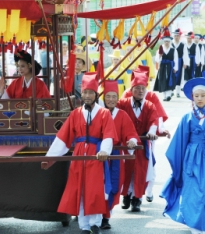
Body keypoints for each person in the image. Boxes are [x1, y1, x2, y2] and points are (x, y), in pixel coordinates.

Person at [44, 72, 118, 234]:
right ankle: (84, 225)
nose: (87, 95)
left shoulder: (104, 113)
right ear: (81, 93)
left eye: (90, 92)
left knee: (95, 189)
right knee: (81, 190)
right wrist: (49, 157)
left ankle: (95, 223)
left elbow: (108, 135)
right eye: (84, 92)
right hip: (78, 156)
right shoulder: (75, 113)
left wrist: (104, 151)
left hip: (96, 155)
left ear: (96, 94)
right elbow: (64, 137)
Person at [161, 77, 205, 234]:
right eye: (197, 95)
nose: (200, 98)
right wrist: (177, 168)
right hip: (191, 160)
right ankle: (193, 224)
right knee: (192, 191)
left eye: (203, 95)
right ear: (192, 97)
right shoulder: (187, 117)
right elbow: (179, 143)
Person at [116, 71, 158, 212]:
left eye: (143, 88)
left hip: (142, 143)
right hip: (126, 143)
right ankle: (126, 195)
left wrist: (152, 131)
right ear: (131, 90)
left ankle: (137, 198)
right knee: (126, 169)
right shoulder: (122, 103)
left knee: (141, 170)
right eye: (137, 88)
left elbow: (154, 121)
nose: (140, 91)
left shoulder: (150, 105)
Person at [101, 80, 140, 230]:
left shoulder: (122, 115)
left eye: (114, 96)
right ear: (104, 98)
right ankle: (96, 215)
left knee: (113, 185)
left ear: (118, 99)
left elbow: (131, 133)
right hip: (99, 155)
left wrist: (131, 141)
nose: (111, 99)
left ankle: (106, 215)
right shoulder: (98, 112)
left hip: (115, 155)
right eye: (108, 96)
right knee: (98, 185)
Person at [153, 36, 179, 101]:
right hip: (162, 66)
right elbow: (157, 60)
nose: (166, 43)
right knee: (163, 80)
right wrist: (160, 56)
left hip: (170, 66)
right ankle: (165, 96)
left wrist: (175, 68)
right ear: (163, 42)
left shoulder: (173, 49)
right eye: (165, 41)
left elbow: (176, 59)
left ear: (169, 42)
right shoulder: (160, 49)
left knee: (170, 80)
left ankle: (168, 95)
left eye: (167, 41)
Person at [172, 28, 189, 97]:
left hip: (180, 61)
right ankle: (171, 90)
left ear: (180, 37)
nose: (176, 37)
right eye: (175, 36)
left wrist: (185, 63)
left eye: (178, 36)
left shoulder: (182, 45)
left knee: (179, 76)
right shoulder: (171, 44)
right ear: (174, 36)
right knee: (172, 75)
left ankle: (178, 92)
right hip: (172, 62)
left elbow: (185, 54)